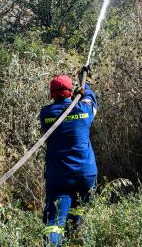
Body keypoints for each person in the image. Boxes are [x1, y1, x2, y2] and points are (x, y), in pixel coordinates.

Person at [39, 66, 98, 246]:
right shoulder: (83, 110)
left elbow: (61, 114)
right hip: (84, 175)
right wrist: (85, 86)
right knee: (78, 213)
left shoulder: (46, 114)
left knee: (55, 223)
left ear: (52, 94)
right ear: (70, 91)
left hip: (59, 177)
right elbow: (91, 100)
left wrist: (76, 95)